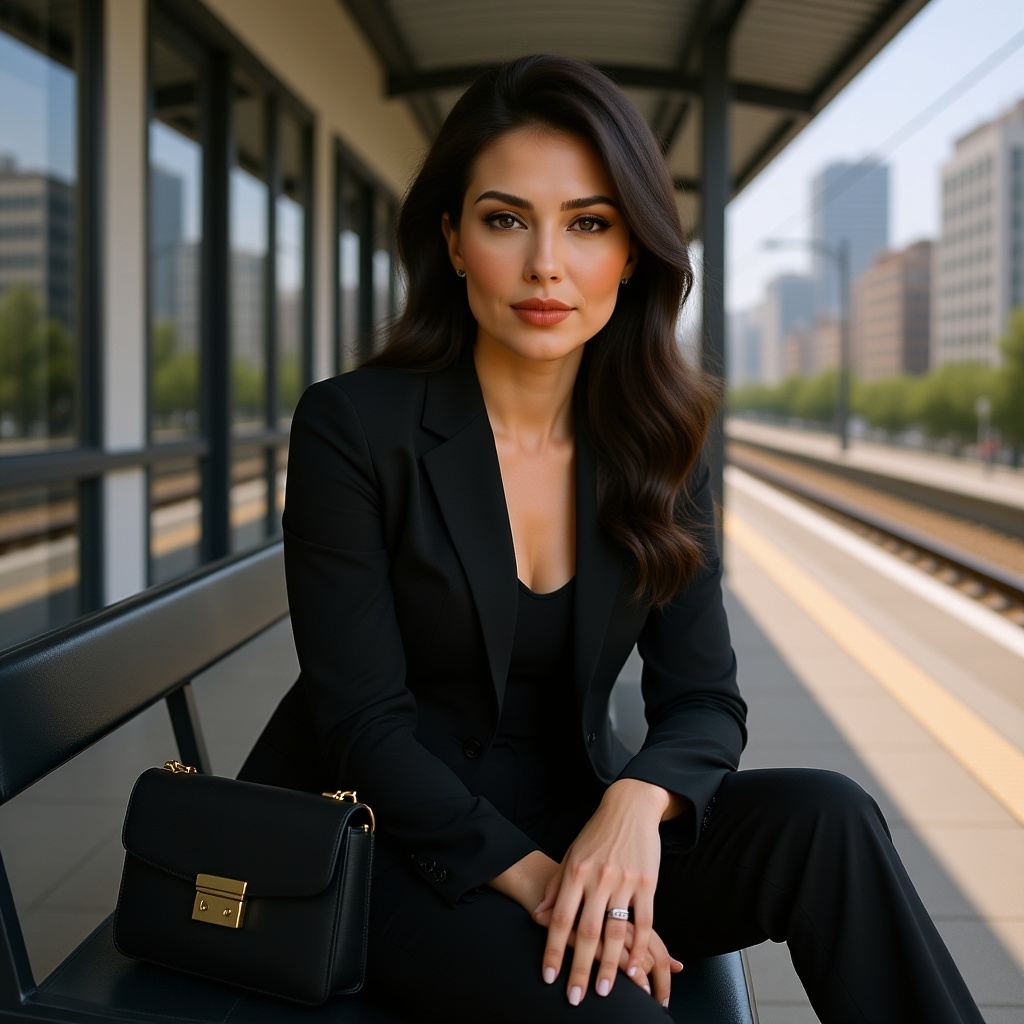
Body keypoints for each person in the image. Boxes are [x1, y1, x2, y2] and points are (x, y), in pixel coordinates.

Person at [240, 55, 984, 1023]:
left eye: (587, 223)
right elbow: (361, 728)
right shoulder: (354, 427)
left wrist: (638, 804)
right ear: (453, 240)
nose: (547, 263)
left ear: (630, 251)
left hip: (579, 810)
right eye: (506, 219)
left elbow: (705, 698)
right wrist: (557, 886)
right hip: (389, 845)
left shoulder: (658, 440)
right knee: (623, 1003)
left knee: (830, 818)